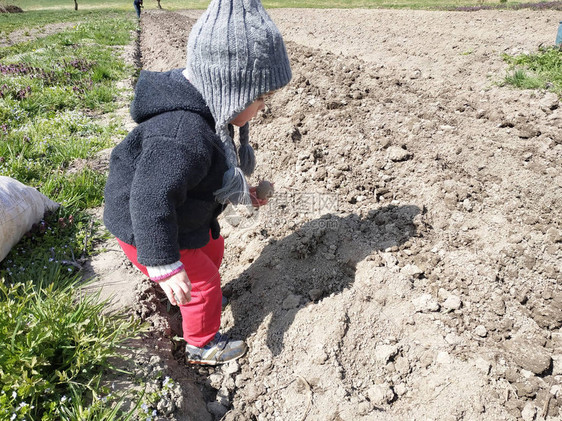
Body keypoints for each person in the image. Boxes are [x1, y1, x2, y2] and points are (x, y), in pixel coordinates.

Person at [103, 0, 292, 365]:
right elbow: (149, 198)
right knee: (202, 282)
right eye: (261, 98)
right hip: (145, 226)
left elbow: (204, 179)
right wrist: (163, 262)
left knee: (213, 250)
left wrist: (246, 194)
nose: (264, 107)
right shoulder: (182, 135)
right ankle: (202, 346)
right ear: (231, 88)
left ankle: (195, 302)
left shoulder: (212, 116)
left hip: (179, 213)